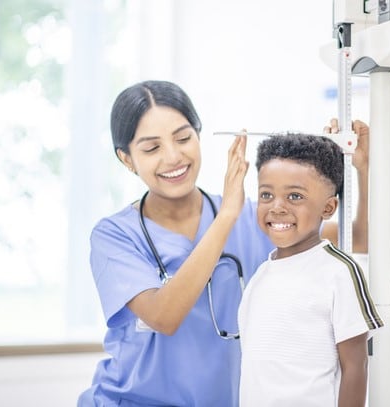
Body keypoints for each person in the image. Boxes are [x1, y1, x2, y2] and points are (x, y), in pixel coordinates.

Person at [78, 80, 371, 406]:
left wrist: (361, 168)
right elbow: (164, 316)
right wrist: (227, 215)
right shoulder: (115, 235)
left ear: (199, 135)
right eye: (151, 148)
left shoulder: (255, 219)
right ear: (127, 159)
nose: (173, 157)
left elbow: (360, 237)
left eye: (183, 138)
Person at [237, 134, 383, 407]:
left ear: (328, 208)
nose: (277, 207)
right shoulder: (260, 277)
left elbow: (355, 367)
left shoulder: (339, 272)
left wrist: (363, 168)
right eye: (266, 194)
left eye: (295, 196)